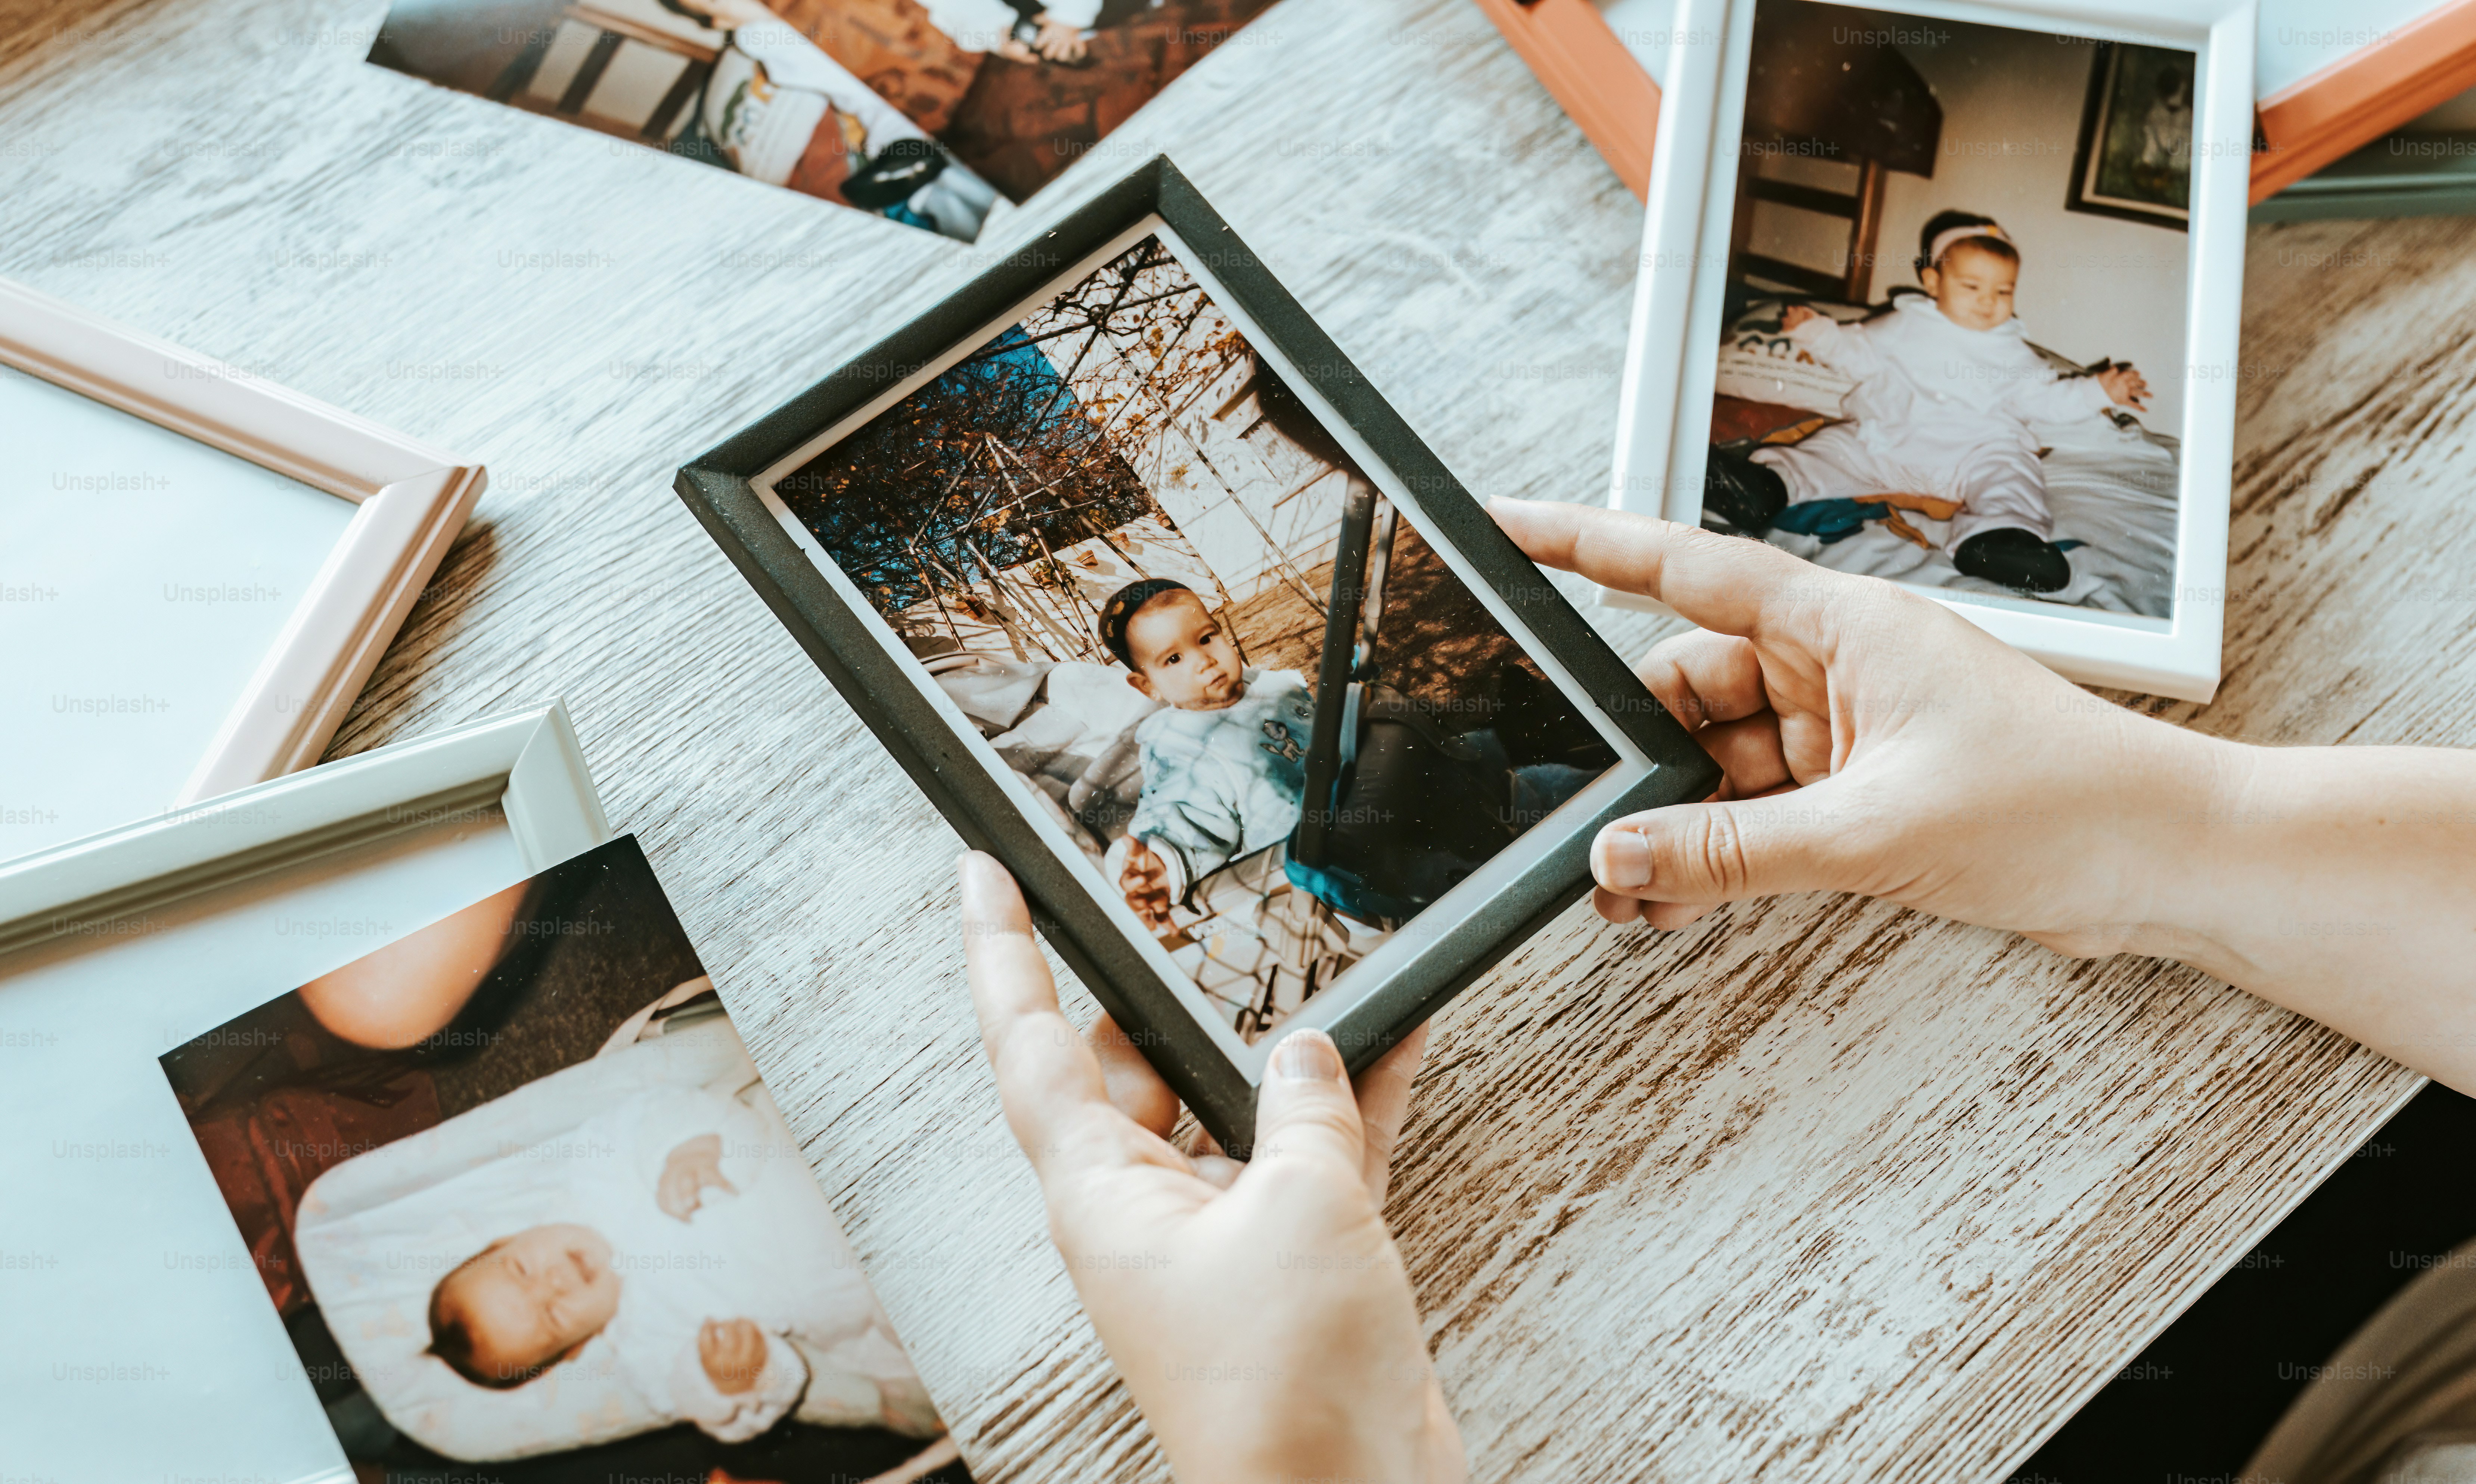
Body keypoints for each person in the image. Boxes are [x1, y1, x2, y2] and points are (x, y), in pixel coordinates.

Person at [956, 498, 2473, 1480]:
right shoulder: (1176, 766)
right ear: (1142, 691)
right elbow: (1191, 847)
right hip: (1359, 855)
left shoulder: (1283, 691)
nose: (1208, 664)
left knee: (1555, 768)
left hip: (1432, 791)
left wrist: (1316, 1459)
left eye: (1208, 633)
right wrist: (2157, 839)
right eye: (1172, 660)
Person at [425, 1084, 941, 1441]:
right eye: (553, 1316)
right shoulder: (646, 1348)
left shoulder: (595, 1170)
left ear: (511, 1236)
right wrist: (735, 1376)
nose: (554, 1284)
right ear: (576, 1347)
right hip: (856, 1295)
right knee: (912, 1354)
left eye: (522, 1269)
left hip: (812, 1159)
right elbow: (705, 1403)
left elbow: (663, 1111)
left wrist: (686, 1150)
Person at [1704, 212, 2153, 594]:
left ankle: (2000, 540)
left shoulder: (2013, 351)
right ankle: (1765, 487)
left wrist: (2100, 391)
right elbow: (1857, 353)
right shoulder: (1904, 325)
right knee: (1833, 451)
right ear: (1933, 281)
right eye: (1972, 286)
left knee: (2012, 475)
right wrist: (1817, 333)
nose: (1987, 302)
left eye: (2003, 291)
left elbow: (2049, 400)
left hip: (1977, 451)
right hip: (1890, 440)